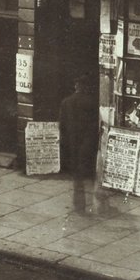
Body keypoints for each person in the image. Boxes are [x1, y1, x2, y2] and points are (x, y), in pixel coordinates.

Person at [59, 74, 99, 214]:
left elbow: (62, 126)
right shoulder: (92, 103)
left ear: (76, 86)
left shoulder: (66, 102)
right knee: (90, 176)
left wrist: (64, 143)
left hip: (72, 143)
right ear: (86, 87)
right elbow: (95, 126)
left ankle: (79, 205)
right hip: (87, 144)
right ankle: (93, 205)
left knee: (77, 178)